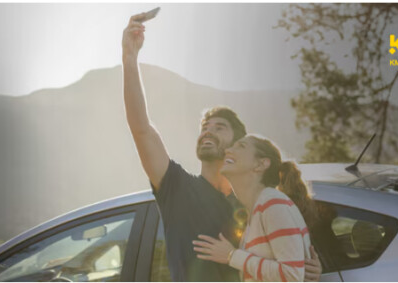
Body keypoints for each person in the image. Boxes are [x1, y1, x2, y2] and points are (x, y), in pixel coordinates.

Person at [120, 9, 322, 281]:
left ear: (236, 145)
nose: (207, 133)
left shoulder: (255, 202)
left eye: (219, 128)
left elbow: (287, 261)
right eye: (204, 128)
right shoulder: (177, 187)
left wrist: (312, 270)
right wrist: (130, 57)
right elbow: (142, 129)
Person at [191, 135, 316, 282]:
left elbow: (292, 276)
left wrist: (231, 256)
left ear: (261, 164)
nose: (227, 150)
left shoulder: (273, 204)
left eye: (241, 146)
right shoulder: (259, 209)